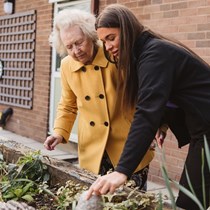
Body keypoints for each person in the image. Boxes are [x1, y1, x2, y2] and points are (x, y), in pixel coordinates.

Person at [86, 4, 210, 210]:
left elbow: (146, 112)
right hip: (203, 132)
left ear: (126, 29)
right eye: (103, 41)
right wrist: (162, 123)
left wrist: (122, 171)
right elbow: (169, 95)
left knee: (190, 203)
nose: (107, 46)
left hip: (206, 132)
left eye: (111, 38)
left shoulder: (154, 54)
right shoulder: (145, 52)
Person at [43, 8, 157, 191]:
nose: (75, 51)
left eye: (79, 43)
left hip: (127, 144)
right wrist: (59, 132)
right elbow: (67, 104)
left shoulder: (114, 53)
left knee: (131, 200)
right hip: (93, 148)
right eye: (69, 46)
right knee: (95, 199)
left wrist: (152, 128)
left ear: (90, 36)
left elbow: (144, 94)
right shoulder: (66, 66)